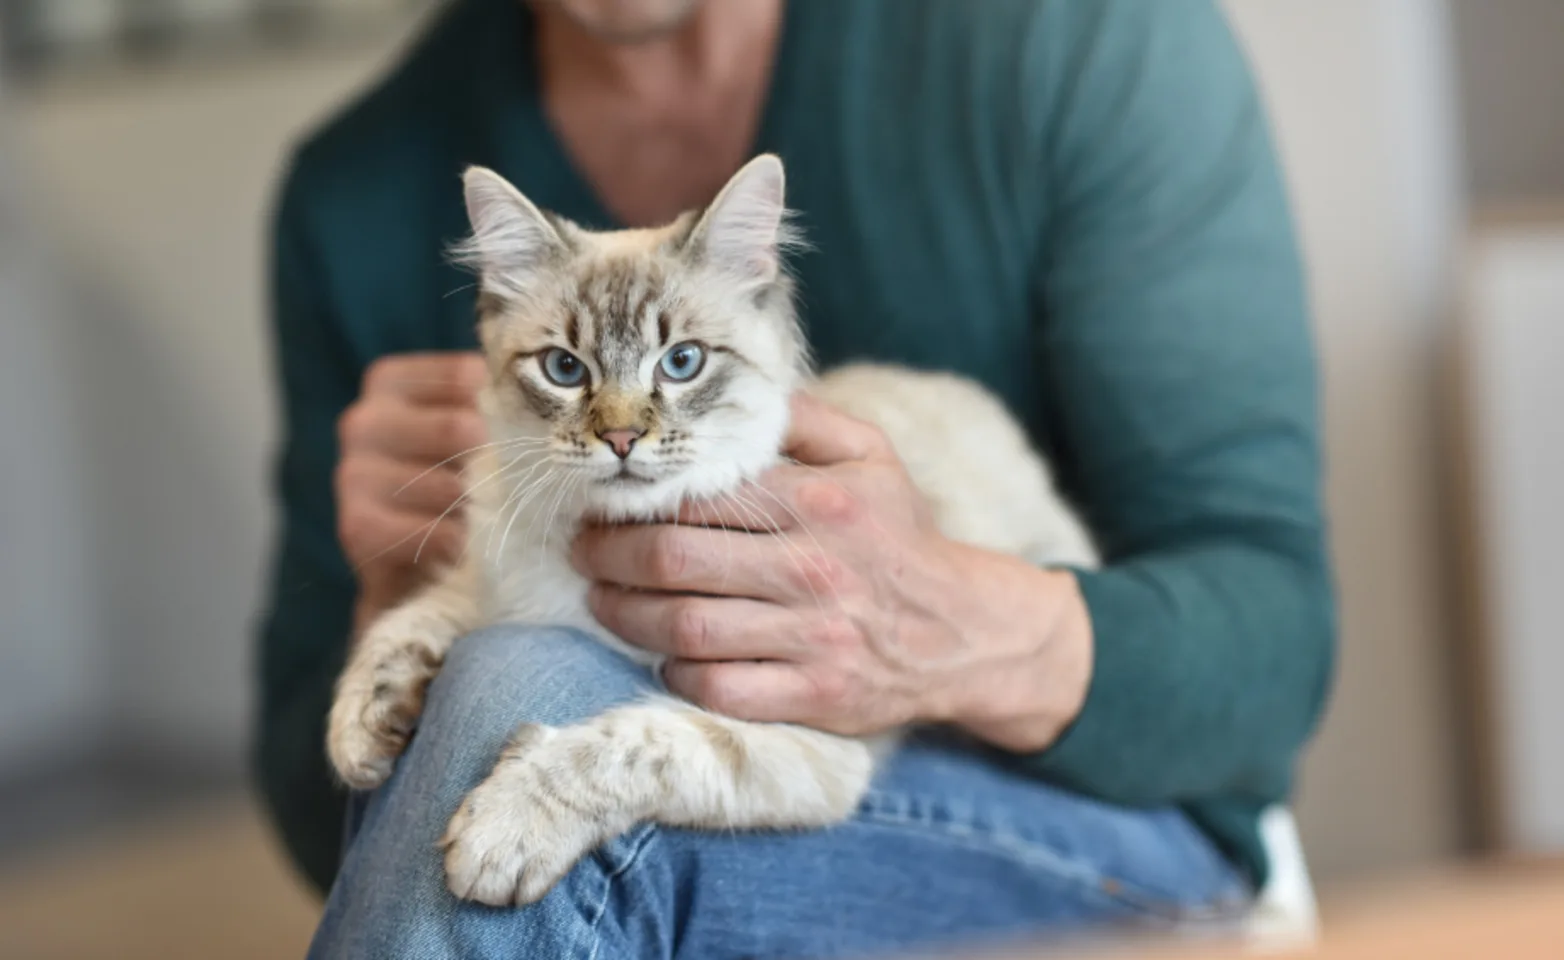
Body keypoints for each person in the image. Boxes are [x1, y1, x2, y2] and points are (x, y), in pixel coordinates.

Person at [256, 0, 1335, 955]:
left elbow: (1276, 643)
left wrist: (946, 627)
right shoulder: (357, 191)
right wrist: (398, 596)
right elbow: (335, 825)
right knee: (504, 687)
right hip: (632, 762)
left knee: (516, 694)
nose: (623, 427)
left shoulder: (1078, 36)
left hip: (1086, 807)